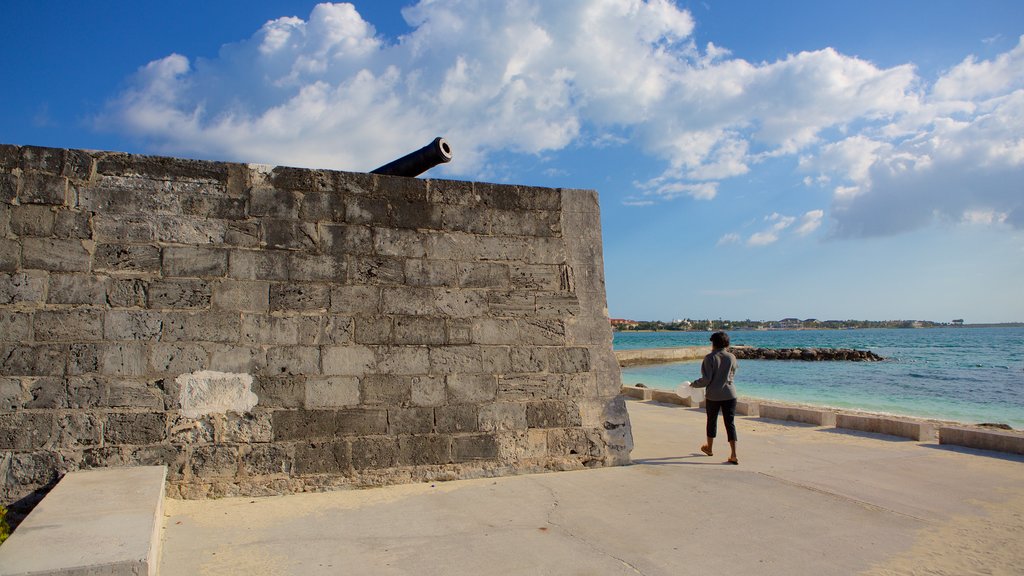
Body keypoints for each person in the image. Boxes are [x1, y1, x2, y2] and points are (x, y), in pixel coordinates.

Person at [689, 331, 739, 464]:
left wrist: (693, 384)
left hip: (714, 395)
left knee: (711, 421)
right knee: (730, 423)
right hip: (730, 394)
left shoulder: (709, 358)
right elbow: (732, 375)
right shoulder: (732, 357)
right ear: (727, 343)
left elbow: (706, 380)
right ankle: (733, 454)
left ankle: (709, 448)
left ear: (713, 343)